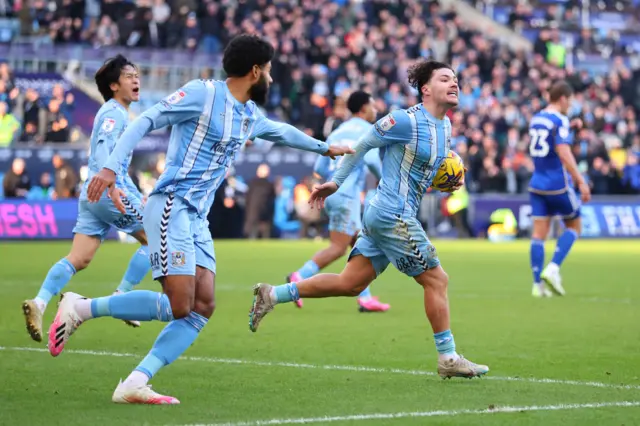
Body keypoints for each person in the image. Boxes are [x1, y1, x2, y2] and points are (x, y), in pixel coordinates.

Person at [47, 34, 353, 404]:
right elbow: (145, 120)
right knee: (179, 305)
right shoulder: (202, 94)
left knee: (202, 306)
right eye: (269, 72)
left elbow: (280, 131)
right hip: (170, 207)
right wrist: (111, 168)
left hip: (196, 219)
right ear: (255, 71)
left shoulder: (248, 114)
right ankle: (81, 307)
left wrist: (324, 147)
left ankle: (134, 382)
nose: (271, 80)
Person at [249, 60, 489, 379]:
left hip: (385, 214)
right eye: (446, 78)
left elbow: (415, 175)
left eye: (456, 79)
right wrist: (336, 181)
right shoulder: (403, 120)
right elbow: (361, 147)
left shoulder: (444, 127)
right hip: (393, 214)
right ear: (426, 88)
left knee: (350, 284)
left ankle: (272, 294)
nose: (454, 83)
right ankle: (448, 358)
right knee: (437, 280)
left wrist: (444, 182)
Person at [22, 55, 149, 343]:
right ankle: (122, 298)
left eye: (137, 74)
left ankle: (39, 303)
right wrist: (114, 188)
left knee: (79, 258)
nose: (136, 80)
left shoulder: (115, 112)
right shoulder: (114, 113)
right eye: (130, 76)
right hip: (105, 190)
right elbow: (106, 155)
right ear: (115, 85)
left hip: (92, 194)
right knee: (155, 239)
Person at [286, 90, 390, 312]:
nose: (376, 109)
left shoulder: (337, 132)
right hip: (347, 195)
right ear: (363, 108)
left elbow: (319, 168)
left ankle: (365, 298)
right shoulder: (366, 131)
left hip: (332, 192)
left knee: (359, 244)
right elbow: (372, 161)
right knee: (339, 247)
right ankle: (299, 277)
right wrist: (389, 183)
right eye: (372, 105)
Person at [528, 81, 591, 298]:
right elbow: (563, 152)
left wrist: (570, 128)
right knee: (574, 225)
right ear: (563, 98)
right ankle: (553, 268)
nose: (570, 105)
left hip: (537, 182)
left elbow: (548, 139)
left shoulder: (537, 118)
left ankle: (537, 286)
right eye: (570, 100)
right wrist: (580, 180)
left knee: (538, 235)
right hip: (558, 183)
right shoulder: (560, 119)